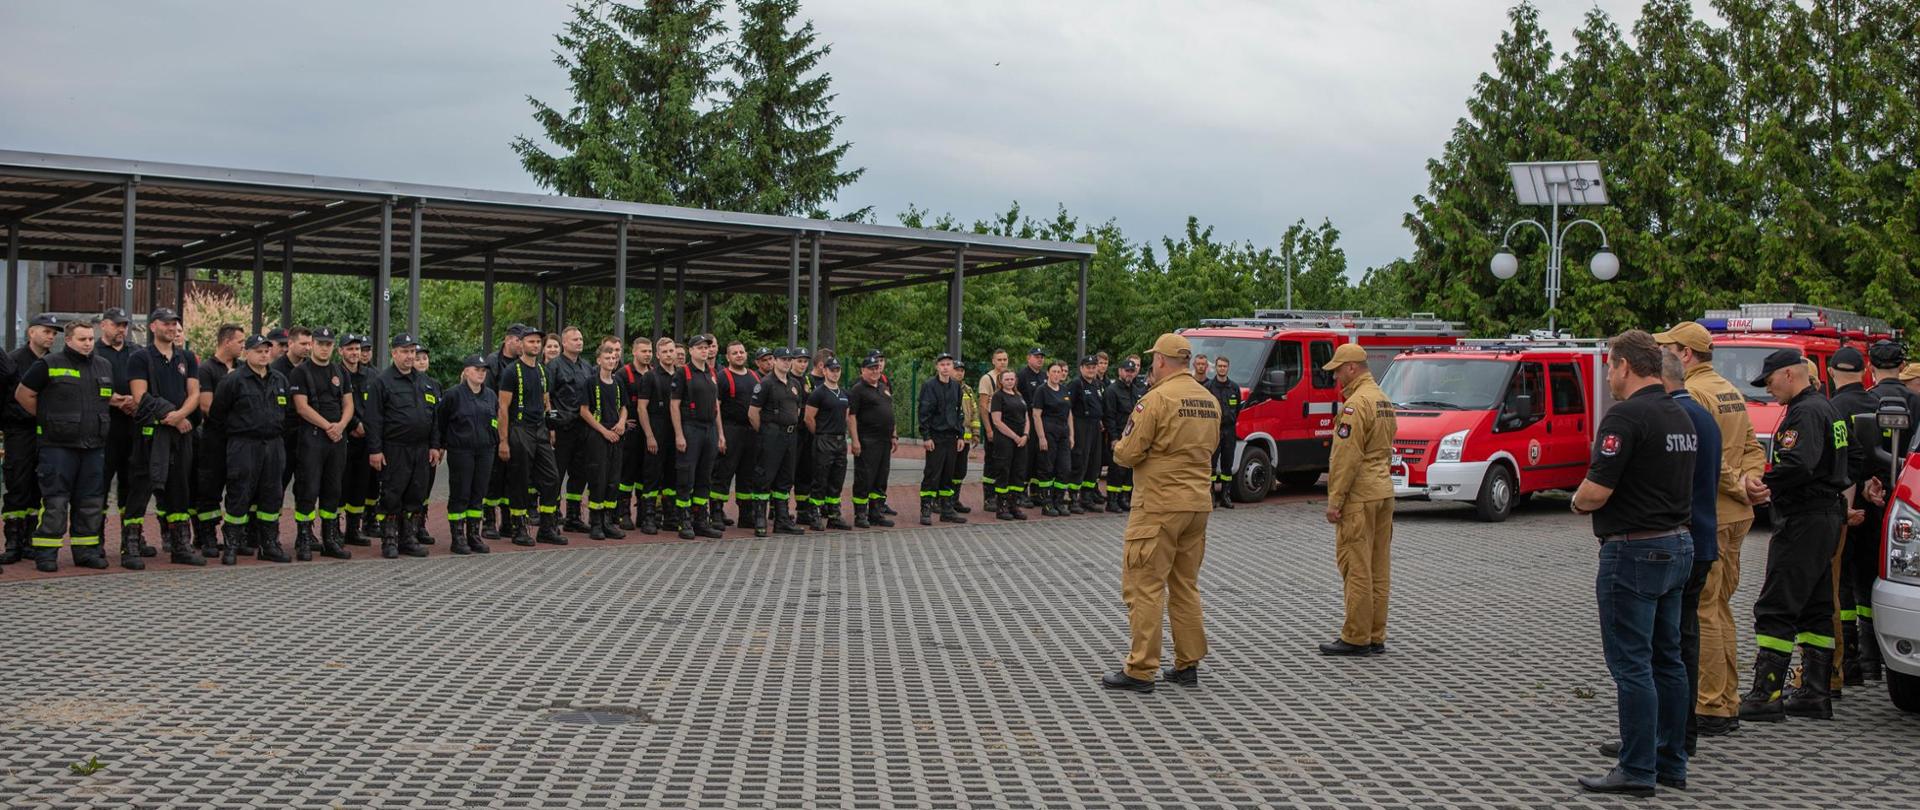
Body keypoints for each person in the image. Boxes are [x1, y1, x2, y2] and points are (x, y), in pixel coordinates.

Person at [1568, 329, 1697, 797]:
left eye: (1610, 366)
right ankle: (1671, 762)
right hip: (1677, 545)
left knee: (1632, 665)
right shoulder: (1680, 413)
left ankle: (1637, 768)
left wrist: (1577, 503)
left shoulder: (1625, 416)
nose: (1608, 375)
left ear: (1624, 365)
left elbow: (1596, 490)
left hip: (1634, 551)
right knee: (1668, 660)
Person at [1651, 321, 1767, 738]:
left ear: (1686, 354)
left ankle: (1713, 704)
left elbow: (1706, 458)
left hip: (1712, 515)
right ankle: (1726, 698)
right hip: (1735, 515)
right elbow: (1752, 447)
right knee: (1720, 608)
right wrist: (1751, 482)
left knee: (1703, 612)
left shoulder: (1695, 394)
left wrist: (1739, 484)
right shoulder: (1729, 389)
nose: (1661, 355)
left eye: (1668, 348)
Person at [1102, 333, 1220, 692]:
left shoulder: (1155, 399)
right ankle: (1188, 663)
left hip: (1158, 505)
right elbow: (1213, 446)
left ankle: (1140, 669)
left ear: (1161, 361)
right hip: (1197, 504)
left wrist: (1118, 448)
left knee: (1145, 586)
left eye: (1154, 360)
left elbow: (1128, 453)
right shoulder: (1209, 400)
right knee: (1185, 585)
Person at [1739, 348, 1849, 723]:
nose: (1768, 390)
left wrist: (1765, 484)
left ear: (1789, 374)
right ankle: (1815, 693)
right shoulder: (1827, 408)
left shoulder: (1805, 412)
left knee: (1776, 606)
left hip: (1803, 519)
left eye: (1769, 381)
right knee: (1816, 607)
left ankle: (1766, 695)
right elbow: (1853, 456)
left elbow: (1799, 463)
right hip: (1825, 516)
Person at [14, 320, 119, 572]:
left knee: (90, 502)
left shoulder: (103, 365)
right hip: (58, 447)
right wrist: (49, 419)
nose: (88, 344)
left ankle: (86, 552)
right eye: (82, 339)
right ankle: (46, 553)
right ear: (69, 340)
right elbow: (23, 394)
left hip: (93, 446)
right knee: (56, 502)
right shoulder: (49, 364)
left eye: (90, 339)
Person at [1318, 343, 1397, 656]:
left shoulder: (1355, 405)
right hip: (1383, 491)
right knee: (1379, 567)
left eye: (1338, 370)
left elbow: (1345, 459)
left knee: (1357, 567)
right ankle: (1376, 634)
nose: (1336, 377)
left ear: (1351, 368)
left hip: (1360, 496)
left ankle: (1356, 636)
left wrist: (1335, 501)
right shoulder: (1383, 399)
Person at [1849, 340, 1920, 683]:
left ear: (1870, 367)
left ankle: (1866, 658)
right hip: (1901, 499)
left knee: (1863, 578)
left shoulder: (1867, 400)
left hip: (1873, 500)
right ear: (1903, 366)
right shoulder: (1917, 402)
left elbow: (1857, 454)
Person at [1664, 352, 1722, 756]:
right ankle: (1683, 734)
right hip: (1702, 539)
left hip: (1676, 542)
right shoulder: (1704, 416)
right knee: (1686, 639)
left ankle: (1668, 735)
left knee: (1668, 646)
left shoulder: (1671, 417)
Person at [123, 307, 205, 567]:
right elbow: (140, 396)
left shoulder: (187, 357)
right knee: (141, 489)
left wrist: (181, 415)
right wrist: (171, 415)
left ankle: (180, 546)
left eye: (174, 324)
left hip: (180, 434)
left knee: (180, 489)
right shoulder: (140, 357)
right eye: (166, 323)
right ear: (153, 327)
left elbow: (194, 393)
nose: (171, 328)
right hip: (151, 434)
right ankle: (130, 547)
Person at [207, 334, 295, 565]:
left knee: (272, 494)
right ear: (247, 353)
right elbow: (217, 416)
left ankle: (269, 545)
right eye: (258, 351)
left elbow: (289, 415)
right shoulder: (233, 380)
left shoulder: (279, 380)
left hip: (273, 444)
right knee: (239, 492)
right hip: (244, 444)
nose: (264, 355)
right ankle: (232, 545)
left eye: (267, 351)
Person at [364, 334, 443, 559]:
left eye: (412, 352)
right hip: (394, 448)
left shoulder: (426, 382)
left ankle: (408, 538)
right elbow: (373, 419)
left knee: (416, 494)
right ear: (394, 353)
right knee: (392, 494)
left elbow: (434, 417)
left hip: (421, 449)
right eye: (405, 351)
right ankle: (389, 540)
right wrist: (375, 450)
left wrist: (435, 445)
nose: (410, 356)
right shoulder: (382, 382)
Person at [286, 327, 354, 561]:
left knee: (333, 490)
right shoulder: (300, 372)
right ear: (313, 344)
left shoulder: (340, 371)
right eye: (321, 343)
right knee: (308, 489)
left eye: (329, 344)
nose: (325, 348)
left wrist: (341, 426)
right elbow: (301, 407)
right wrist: (328, 427)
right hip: (313, 437)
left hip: (337, 439)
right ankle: (304, 539)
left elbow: (349, 404)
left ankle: (330, 539)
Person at [495, 326, 563, 546]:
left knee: (552, 478)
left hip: (540, 429)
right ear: (521, 343)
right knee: (520, 480)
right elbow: (503, 408)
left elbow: (546, 401)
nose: (535, 345)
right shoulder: (511, 371)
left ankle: (547, 528)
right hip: (519, 429)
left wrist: (551, 427)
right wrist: (503, 441)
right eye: (531, 341)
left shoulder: (543, 371)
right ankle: (519, 528)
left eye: (538, 342)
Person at [1, 314, 60, 566]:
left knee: (39, 486)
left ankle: (29, 540)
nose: (51, 336)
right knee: (17, 483)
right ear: (31, 333)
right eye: (46, 331)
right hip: (19, 431)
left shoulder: (54, 362)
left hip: (45, 433)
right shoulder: (13, 361)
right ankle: (12, 542)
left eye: (54, 333)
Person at [190, 324, 245, 560]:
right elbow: (207, 407)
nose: (243, 346)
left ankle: (234, 536)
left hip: (239, 441)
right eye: (240, 342)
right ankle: (207, 535)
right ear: (226, 342)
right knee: (209, 489)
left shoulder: (243, 368)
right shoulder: (206, 369)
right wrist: (240, 419)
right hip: (214, 441)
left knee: (238, 488)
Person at [95, 307, 145, 560]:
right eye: (117, 325)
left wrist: (136, 401)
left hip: (132, 428)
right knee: (99, 485)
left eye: (125, 325)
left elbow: (147, 382)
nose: (121, 330)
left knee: (132, 484)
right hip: (104, 429)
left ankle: (133, 538)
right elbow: (87, 386)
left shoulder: (136, 352)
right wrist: (113, 400)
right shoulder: (93, 352)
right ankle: (96, 540)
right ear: (104, 325)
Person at [436, 354, 496, 554]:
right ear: (466, 371)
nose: (481, 373)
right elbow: (441, 421)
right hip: (461, 450)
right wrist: (440, 445)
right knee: (460, 493)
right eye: (477, 369)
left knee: (478, 493)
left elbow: (494, 421)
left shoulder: (490, 395)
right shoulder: (453, 395)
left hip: (485, 450)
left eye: (484, 370)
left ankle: (473, 534)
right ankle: (458, 537)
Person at [670, 334, 727, 540]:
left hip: (709, 428)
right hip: (691, 428)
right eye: (700, 347)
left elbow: (716, 406)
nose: (705, 350)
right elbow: (674, 405)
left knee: (705, 476)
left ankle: (701, 520)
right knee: (686, 476)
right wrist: (679, 434)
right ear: (691, 351)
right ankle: (683, 520)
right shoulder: (682, 373)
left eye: (707, 347)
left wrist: (720, 434)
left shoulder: (712, 373)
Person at [748, 348, 806, 537]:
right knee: (764, 477)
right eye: (783, 359)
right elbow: (753, 413)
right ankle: (760, 518)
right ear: (774, 361)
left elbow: (797, 410)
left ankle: (782, 520)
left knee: (785, 478)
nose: (787, 362)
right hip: (771, 435)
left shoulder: (794, 383)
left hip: (790, 436)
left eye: (789, 359)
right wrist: (766, 432)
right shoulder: (766, 384)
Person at [547, 326, 595, 533]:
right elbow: (546, 397)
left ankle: (573, 516)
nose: (579, 342)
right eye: (575, 339)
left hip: (583, 428)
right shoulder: (554, 366)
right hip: (562, 428)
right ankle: (551, 516)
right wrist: (551, 426)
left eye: (581, 338)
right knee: (556, 474)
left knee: (580, 473)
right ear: (564, 343)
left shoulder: (587, 366)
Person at [580, 337, 629, 540]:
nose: (611, 360)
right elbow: (584, 411)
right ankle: (596, 523)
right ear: (599, 360)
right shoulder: (590, 382)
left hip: (616, 435)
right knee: (598, 479)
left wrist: (622, 423)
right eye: (607, 357)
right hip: (598, 436)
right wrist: (603, 431)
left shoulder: (618, 382)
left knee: (613, 480)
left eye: (614, 358)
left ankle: (608, 521)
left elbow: (624, 407)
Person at [479, 326, 526, 539]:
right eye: (519, 340)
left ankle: (507, 522)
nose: (522, 345)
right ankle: (489, 521)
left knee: (512, 476)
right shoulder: (492, 363)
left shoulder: (523, 364)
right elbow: (488, 397)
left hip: (516, 427)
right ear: (509, 340)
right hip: (495, 426)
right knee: (494, 476)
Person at [917, 353, 970, 526]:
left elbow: (959, 413)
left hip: (951, 437)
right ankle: (926, 509)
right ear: (937, 367)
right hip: (936, 437)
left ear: (952, 367)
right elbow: (924, 412)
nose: (945, 367)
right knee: (932, 474)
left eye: (948, 364)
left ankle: (947, 509)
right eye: (942, 364)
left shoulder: (956, 387)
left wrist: (960, 435)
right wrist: (926, 436)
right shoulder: (929, 386)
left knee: (949, 474)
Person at [712, 341, 760, 527]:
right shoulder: (723, 377)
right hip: (730, 430)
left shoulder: (754, 376)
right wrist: (720, 435)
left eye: (741, 352)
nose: (739, 355)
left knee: (748, 474)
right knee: (723, 472)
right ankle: (716, 512)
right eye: (735, 353)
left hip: (751, 432)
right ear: (728, 357)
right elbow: (716, 408)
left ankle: (746, 514)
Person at [338, 334, 380, 546]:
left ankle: (353, 530)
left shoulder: (371, 376)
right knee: (340, 486)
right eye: (351, 349)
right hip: (344, 439)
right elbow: (335, 404)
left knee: (360, 486)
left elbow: (376, 405)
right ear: (341, 351)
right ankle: (334, 530)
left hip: (365, 440)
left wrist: (367, 428)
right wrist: (354, 424)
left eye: (358, 349)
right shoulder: (335, 374)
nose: (355, 353)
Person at [847, 354, 897, 528]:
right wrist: (855, 441)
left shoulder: (883, 387)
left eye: (877, 368)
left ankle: (876, 513)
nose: (875, 371)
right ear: (863, 370)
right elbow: (851, 416)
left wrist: (894, 435)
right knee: (864, 478)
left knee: (881, 478)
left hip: (884, 441)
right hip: (868, 441)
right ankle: (860, 514)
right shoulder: (858, 389)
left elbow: (890, 412)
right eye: (871, 368)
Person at [638, 337, 680, 535]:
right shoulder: (650, 377)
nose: (669, 355)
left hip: (675, 431)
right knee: (652, 475)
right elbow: (642, 408)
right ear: (658, 355)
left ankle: (670, 516)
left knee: (673, 475)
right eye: (664, 352)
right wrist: (649, 435)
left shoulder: (681, 375)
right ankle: (649, 517)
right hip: (657, 428)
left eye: (671, 351)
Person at [804, 357, 851, 530]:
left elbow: (846, 416)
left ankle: (834, 515)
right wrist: (820, 435)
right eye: (832, 370)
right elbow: (808, 418)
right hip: (824, 441)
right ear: (824, 371)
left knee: (836, 480)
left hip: (840, 441)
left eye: (837, 370)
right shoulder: (818, 393)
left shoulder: (845, 394)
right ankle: (814, 514)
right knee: (820, 480)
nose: (835, 373)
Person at [617, 336, 656, 531]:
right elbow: (617, 400)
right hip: (630, 431)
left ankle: (643, 512)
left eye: (650, 351)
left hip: (649, 430)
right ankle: (623, 512)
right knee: (627, 472)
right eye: (643, 351)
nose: (647, 355)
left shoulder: (654, 374)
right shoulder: (623, 374)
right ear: (634, 352)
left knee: (645, 472)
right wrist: (621, 422)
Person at [1028, 360, 1075, 517]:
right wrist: (1041, 437)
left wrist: (1071, 435)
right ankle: (1047, 503)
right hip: (1048, 433)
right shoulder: (1042, 390)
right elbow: (1036, 415)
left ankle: (1058, 501)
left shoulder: (1064, 390)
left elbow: (1069, 414)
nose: (1056, 374)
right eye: (1053, 371)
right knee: (1047, 468)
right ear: (1048, 373)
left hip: (1063, 434)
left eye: (1059, 372)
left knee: (1065, 468)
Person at [271, 326, 312, 491]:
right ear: (290, 343)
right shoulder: (275, 370)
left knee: (305, 484)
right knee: (278, 482)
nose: (307, 348)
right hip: (284, 434)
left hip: (307, 432)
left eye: (309, 344)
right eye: (303, 344)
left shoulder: (311, 367)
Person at [987, 369, 1031, 521]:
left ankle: (1014, 505)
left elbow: (1026, 417)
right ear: (1001, 381)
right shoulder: (998, 397)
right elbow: (997, 421)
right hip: (1005, 440)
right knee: (1004, 471)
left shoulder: (1019, 396)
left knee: (1018, 472)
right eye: (1007, 379)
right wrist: (1015, 437)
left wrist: (1025, 435)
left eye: (1012, 379)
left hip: (1021, 440)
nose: (1010, 382)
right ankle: (1002, 506)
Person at [1067, 356, 1107, 514]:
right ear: (1081, 368)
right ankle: (1073, 499)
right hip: (1081, 425)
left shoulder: (1098, 384)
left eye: (1093, 367)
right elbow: (1068, 408)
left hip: (1095, 426)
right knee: (1080, 461)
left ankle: (1087, 498)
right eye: (1088, 367)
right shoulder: (1076, 384)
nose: (1091, 370)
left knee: (1093, 463)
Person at [1101, 359, 1142, 512]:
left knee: (1129, 469)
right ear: (1120, 371)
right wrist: (1113, 438)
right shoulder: (1112, 391)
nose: (1129, 374)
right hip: (1118, 435)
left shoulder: (1136, 390)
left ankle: (1123, 498)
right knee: (1116, 469)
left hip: (1132, 436)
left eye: (1132, 371)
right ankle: (1112, 500)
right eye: (1127, 371)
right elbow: (1109, 416)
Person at [1202, 356, 1241, 509]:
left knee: (1227, 464)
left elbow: (1237, 409)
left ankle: (1225, 496)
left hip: (1229, 430)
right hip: (1214, 429)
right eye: (1220, 366)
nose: (1222, 368)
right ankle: (1211, 495)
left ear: (1228, 368)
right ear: (1216, 368)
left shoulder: (1234, 388)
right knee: (1211, 464)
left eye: (1225, 366)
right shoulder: (1208, 387)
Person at [977, 349, 1010, 508]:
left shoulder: (1009, 378)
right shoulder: (987, 379)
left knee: (1004, 461)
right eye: (999, 359)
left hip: (1006, 422)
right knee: (991, 461)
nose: (1002, 362)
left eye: (1005, 359)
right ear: (993, 361)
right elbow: (983, 406)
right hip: (992, 422)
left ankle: (1001, 494)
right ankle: (989, 497)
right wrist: (989, 429)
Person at [1015, 348, 1047, 505]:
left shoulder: (1044, 376)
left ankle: (1035, 492)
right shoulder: (1022, 375)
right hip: (1027, 420)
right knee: (1026, 458)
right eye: (1036, 357)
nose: (1040, 359)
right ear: (1028, 358)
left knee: (1039, 457)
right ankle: (1021, 492)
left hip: (1041, 420)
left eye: (1042, 357)